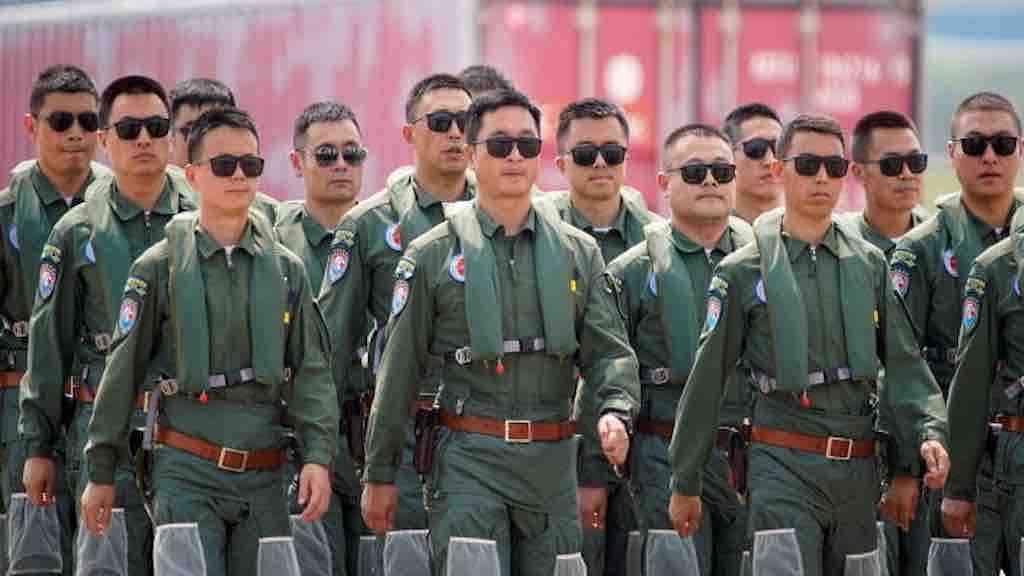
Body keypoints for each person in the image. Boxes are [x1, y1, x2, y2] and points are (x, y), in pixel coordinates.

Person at [360, 89, 639, 576]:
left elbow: (609, 353)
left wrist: (616, 411)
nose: (514, 156)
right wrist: (380, 472)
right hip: (469, 461)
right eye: (499, 145)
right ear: (472, 154)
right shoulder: (432, 255)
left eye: (527, 145)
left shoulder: (578, 254)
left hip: (551, 466)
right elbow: (398, 371)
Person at [668, 114, 949, 576]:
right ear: (779, 170)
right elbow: (706, 382)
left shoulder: (870, 266)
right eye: (808, 165)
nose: (822, 177)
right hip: (783, 464)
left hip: (857, 471)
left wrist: (930, 433)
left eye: (834, 167)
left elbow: (904, 366)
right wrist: (685, 480)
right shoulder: (743, 272)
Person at [79, 106, 337, 576]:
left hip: (266, 473)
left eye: (250, 165)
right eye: (224, 165)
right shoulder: (158, 268)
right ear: (193, 174)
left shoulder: (287, 270)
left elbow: (312, 373)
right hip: (186, 470)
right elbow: (121, 375)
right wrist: (100, 471)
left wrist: (318, 457)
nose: (239, 176)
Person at [20, 74, 196, 574]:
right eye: (128, 129)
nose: (143, 139)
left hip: (191, 438)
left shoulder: (206, 219)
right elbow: (49, 345)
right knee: (108, 565)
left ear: (171, 138)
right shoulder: (77, 231)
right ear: (104, 140)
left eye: (156, 127)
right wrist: (39, 446)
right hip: (106, 437)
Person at [318, 73, 475, 530]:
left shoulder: (501, 215)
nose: (455, 133)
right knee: (406, 553)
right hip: (404, 429)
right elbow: (333, 346)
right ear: (409, 134)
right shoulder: (369, 224)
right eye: (440, 122)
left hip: (482, 427)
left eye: (466, 122)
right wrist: (318, 450)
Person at [602, 123, 752, 576]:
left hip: (751, 457)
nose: (709, 181)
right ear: (664, 183)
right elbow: (608, 364)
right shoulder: (630, 273)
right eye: (694, 171)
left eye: (721, 172)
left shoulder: (765, 262)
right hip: (662, 455)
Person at [895, 92, 1024, 575]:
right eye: (974, 145)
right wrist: (910, 462)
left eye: (1003, 144)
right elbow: (902, 362)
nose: (989, 156)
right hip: (951, 455)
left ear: (1020, 150)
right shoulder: (921, 251)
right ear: (951, 153)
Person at [541, 96, 659, 576]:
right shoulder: (540, 239)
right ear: (561, 163)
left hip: (647, 441)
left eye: (612, 153)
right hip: (560, 447)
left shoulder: (659, 242)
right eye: (586, 154)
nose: (600, 165)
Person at [0, 63, 107, 574]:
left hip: (101, 406)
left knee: (107, 553)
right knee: (32, 554)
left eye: (88, 121)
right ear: (31, 126)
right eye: (61, 121)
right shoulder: (7, 215)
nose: (76, 134)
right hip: (18, 408)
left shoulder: (122, 209)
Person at [276, 100, 366, 576]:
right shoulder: (273, 243)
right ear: (297, 162)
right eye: (326, 155)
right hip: (301, 443)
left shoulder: (387, 234)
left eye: (352, 154)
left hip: (374, 441)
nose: (341, 165)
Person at [846, 110, 931, 575]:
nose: (907, 175)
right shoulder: (841, 250)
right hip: (863, 456)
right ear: (859, 172)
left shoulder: (941, 245)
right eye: (892, 164)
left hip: (938, 450)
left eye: (916, 162)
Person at [168, 78, 280, 223]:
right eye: (190, 131)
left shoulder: (272, 216)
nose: (202, 139)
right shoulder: (149, 204)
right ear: (171, 139)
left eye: (215, 129)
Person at [721, 103, 784, 224]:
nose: (770, 161)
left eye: (779, 148)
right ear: (728, 157)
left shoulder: (812, 228)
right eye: (756, 149)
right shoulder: (709, 230)